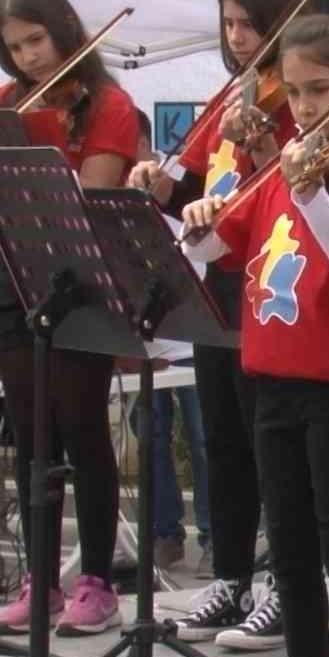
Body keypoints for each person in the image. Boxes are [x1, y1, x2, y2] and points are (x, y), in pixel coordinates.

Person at [182, 14, 329, 657]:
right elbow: (217, 248)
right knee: (289, 553)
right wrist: (198, 219)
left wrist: (308, 190)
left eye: (321, 89)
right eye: (296, 92)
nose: (306, 107)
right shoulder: (280, 170)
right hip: (272, 378)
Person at [130, 0, 306, 649]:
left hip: (271, 281)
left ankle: (283, 584)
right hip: (216, 282)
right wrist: (160, 188)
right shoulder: (233, 94)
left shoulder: (293, 99)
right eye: (228, 23)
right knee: (222, 438)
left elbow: (287, 190)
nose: (236, 37)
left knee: (269, 443)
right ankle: (231, 576)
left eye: (250, 23)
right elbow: (202, 187)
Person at [0, 0, 138, 637]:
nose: (28, 59)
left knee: (82, 427)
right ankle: (39, 580)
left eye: (37, 41)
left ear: (65, 29)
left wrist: (42, 155)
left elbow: (93, 201)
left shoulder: (107, 103)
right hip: (17, 282)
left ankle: (97, 581)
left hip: (82, 281)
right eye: (14, 47)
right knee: (30, 433)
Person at [129, 109, 212, 575]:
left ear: (146, 146)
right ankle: (164, 532)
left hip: (193, 337)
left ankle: (215, 533)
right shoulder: (117, 202)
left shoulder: (176, 194)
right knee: (151, 440)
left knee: (204, 441)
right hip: (149, 340)